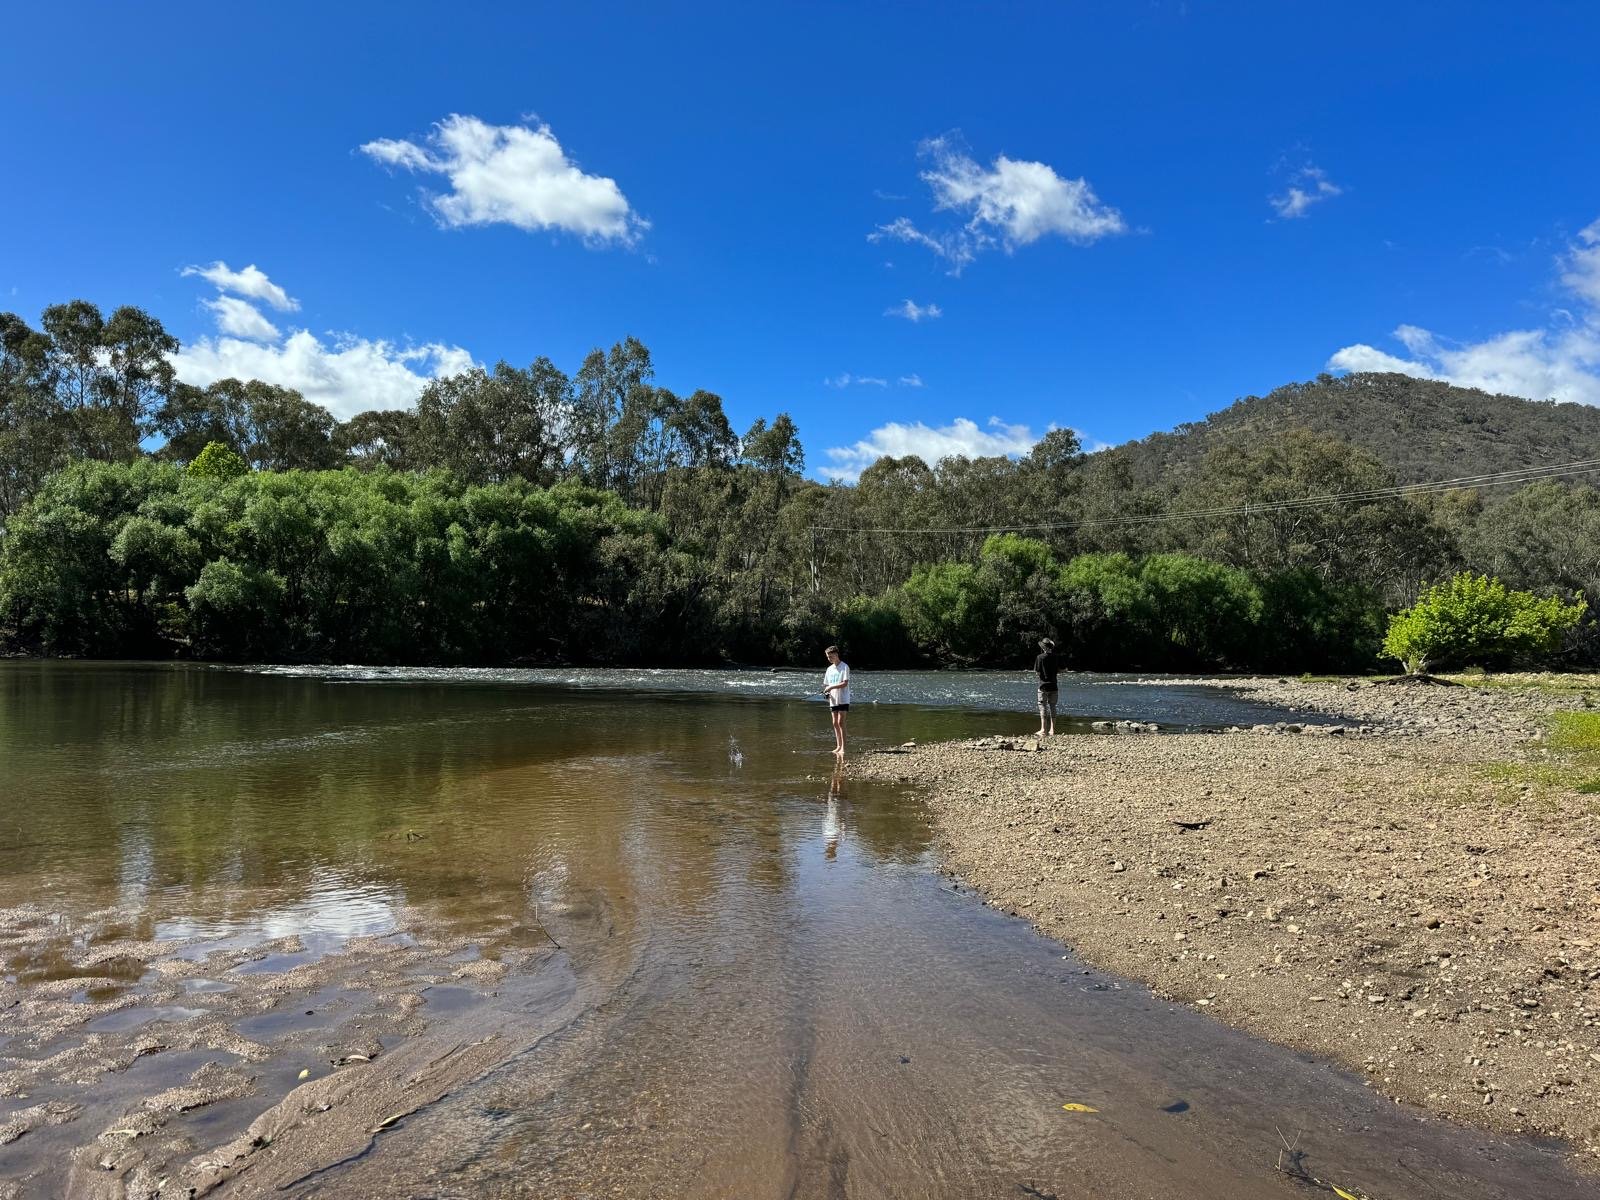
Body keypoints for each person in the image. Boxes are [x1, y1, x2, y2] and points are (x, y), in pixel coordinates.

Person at [822, 644, 850, 759]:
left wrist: (830, 688)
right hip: (833, 699)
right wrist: (827, 692)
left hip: (843, 698)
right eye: (828, 657)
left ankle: (843, 747)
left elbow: (845, 683)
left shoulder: (844, 667)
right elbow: (827, 685)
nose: (829, 658)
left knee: (840, 722)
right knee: (834, 723)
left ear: (836, 654)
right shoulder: (829, 669)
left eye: (831, 656)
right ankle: (838, 746)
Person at [1034, 637, 1059, 736]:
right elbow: (1064, 669)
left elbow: (1037, 671)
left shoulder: (1039, 657)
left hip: (1043, 686)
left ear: (1043, 647)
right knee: (1053, 707)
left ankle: (1043, 729)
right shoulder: (1056, 657)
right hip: (1054, 685)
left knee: (1042, 706)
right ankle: (1052, 730)